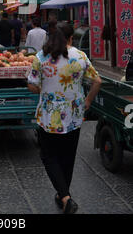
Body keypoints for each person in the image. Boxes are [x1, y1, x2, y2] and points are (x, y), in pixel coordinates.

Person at [27, 22, 101, 214]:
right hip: (74, 116)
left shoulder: (41, 57)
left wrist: (45, 90)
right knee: (68, 157)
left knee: (49, 156)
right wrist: (88, 102)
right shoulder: (80, 56)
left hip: (49, 116)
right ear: (71, 38)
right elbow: (97, 81)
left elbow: (31, 84)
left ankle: (65, 196)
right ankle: (63, 195)